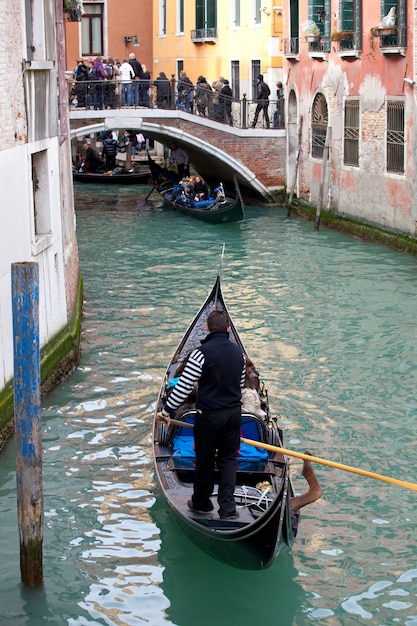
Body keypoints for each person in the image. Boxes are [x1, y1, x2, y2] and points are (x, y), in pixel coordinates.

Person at [158, 309, 246, 520]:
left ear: (207, 328)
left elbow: (184, 388)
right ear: (228, 330)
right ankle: (227, 509)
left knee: (205, 460)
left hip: (209, 416)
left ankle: (201, 504)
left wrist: (166, 411)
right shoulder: (239, 355)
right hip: (234, 415)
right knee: (228, 460)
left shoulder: (200, 353)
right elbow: (240, 385)